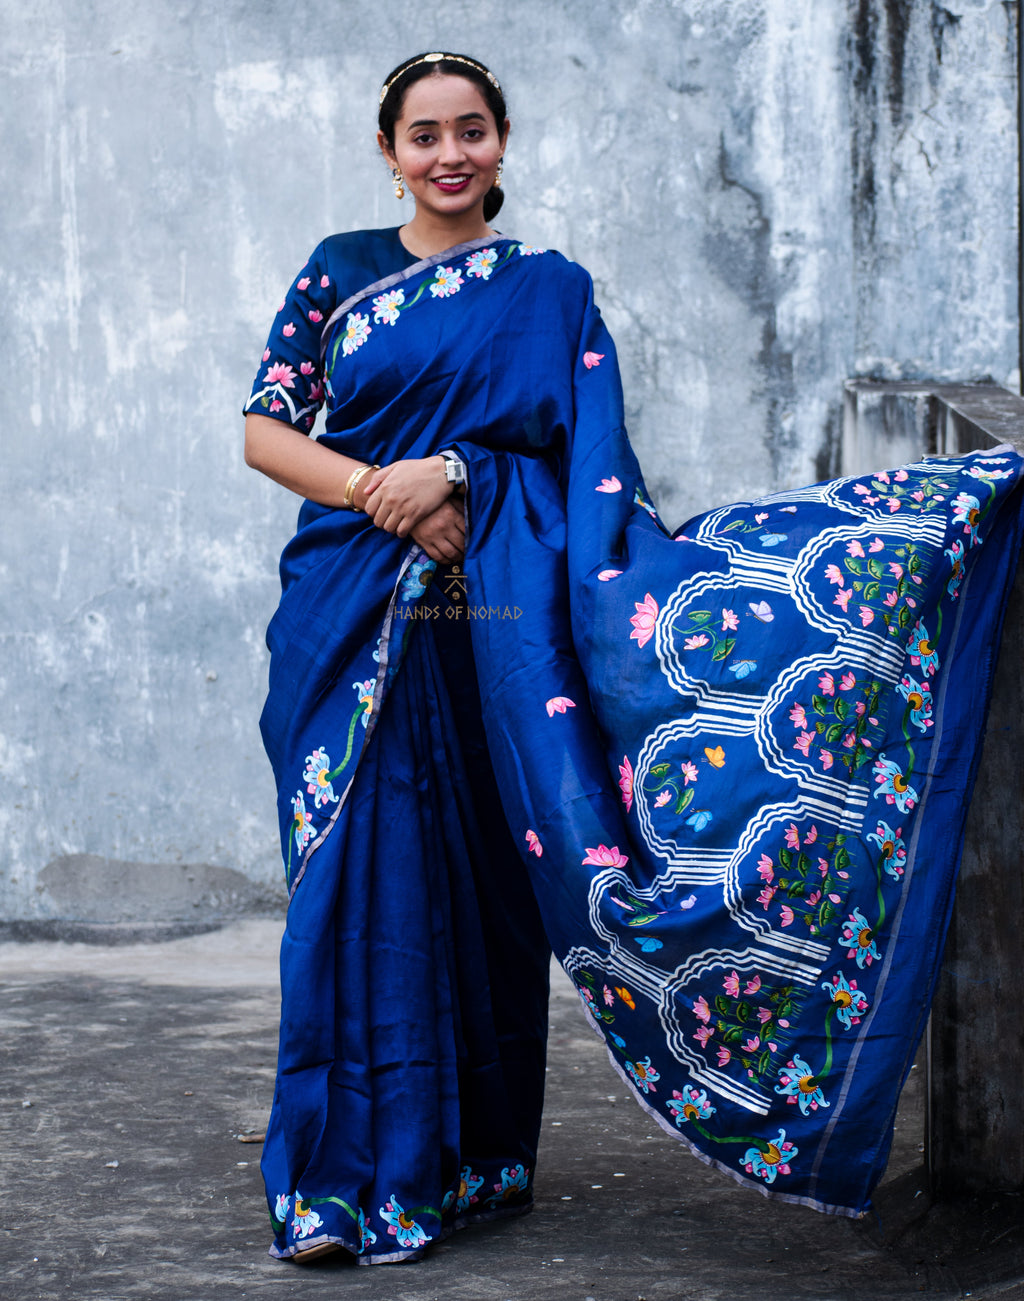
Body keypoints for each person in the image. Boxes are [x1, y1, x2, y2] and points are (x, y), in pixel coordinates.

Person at [243, 52, 1024, 1264]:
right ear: (387, 150)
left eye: (472, 131)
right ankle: (338, 1180)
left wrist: (465, 473)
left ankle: (459, 1161)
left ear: (503, 143)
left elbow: (588, 476)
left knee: (473, 890)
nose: (449, 155)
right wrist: (385, 490)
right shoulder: (337, 271)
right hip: (347, 615)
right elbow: (263, 429)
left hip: (488, 631)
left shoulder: (549, 293)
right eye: (423, 135)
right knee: (352, 886)